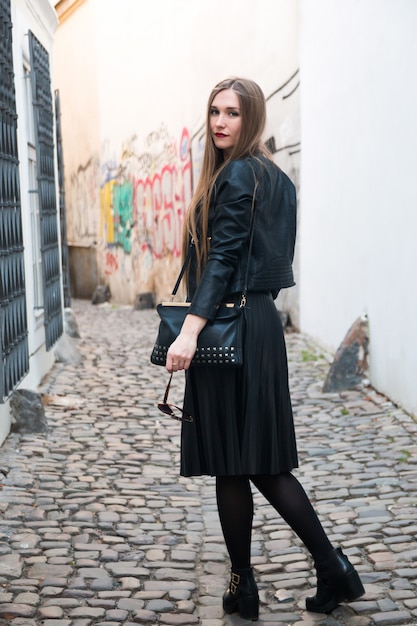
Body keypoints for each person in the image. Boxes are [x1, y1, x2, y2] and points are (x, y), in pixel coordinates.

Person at [165, 77, 364, 621]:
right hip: (261, 324)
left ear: (251, 119)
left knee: (246, 463)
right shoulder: (279, 180)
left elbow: (224, 260)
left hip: (228, 326)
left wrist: (189, 330)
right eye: (214, 111)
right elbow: (272, 268)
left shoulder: (232, 179)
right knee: (249, 460)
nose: (220, 122)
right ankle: (307, 575)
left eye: (232, 112)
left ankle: (284, 577)